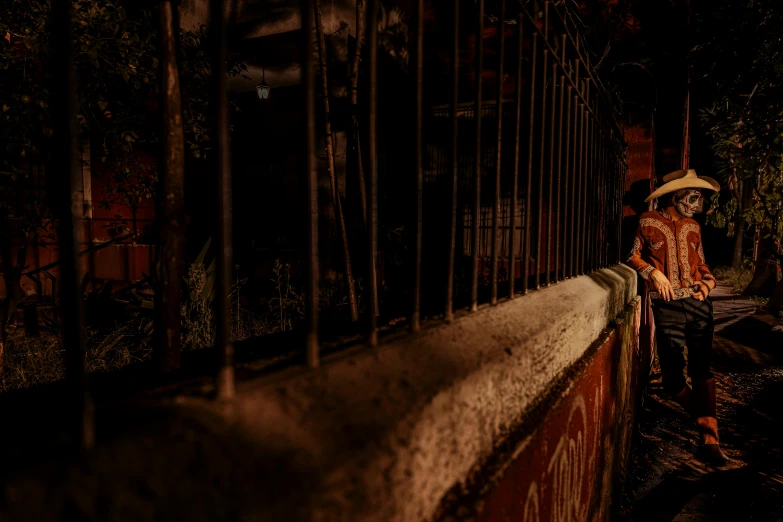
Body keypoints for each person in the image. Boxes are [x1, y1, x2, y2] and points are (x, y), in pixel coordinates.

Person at [626, 169, 731, 467]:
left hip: (699, 304)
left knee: (701, 368)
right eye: (694, 197)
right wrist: (652, 272)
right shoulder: (646, 221)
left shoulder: (694, 227)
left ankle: (710, 442)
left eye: (699, 198)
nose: (697, 204)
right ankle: (705, 421)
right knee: (672, 377)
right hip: (667, 306)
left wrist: (708, 284)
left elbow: (703, 264)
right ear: (676, 196)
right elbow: (632, 255)